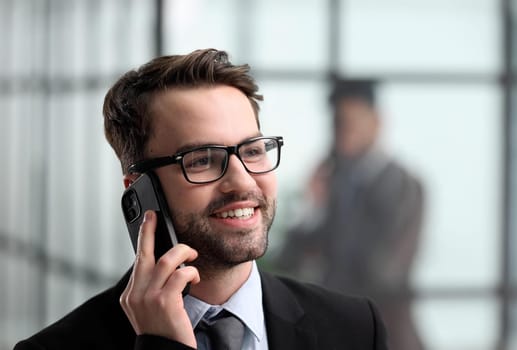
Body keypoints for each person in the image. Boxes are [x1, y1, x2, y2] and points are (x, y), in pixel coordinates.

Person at [14, 49, 388, 350]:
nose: (242, 183)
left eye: (253, 151)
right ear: (140, 190)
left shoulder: (355, 329)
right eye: (202, 160)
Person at [275, 79, 425, 350]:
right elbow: (288, 260)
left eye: (350, 122)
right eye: (336, 124)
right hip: (332, 332)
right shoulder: (332, 184)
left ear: (377, 121)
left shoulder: (405, 187)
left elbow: (383, 271)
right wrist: (314, 207)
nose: (341, 132)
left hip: (386, 334)